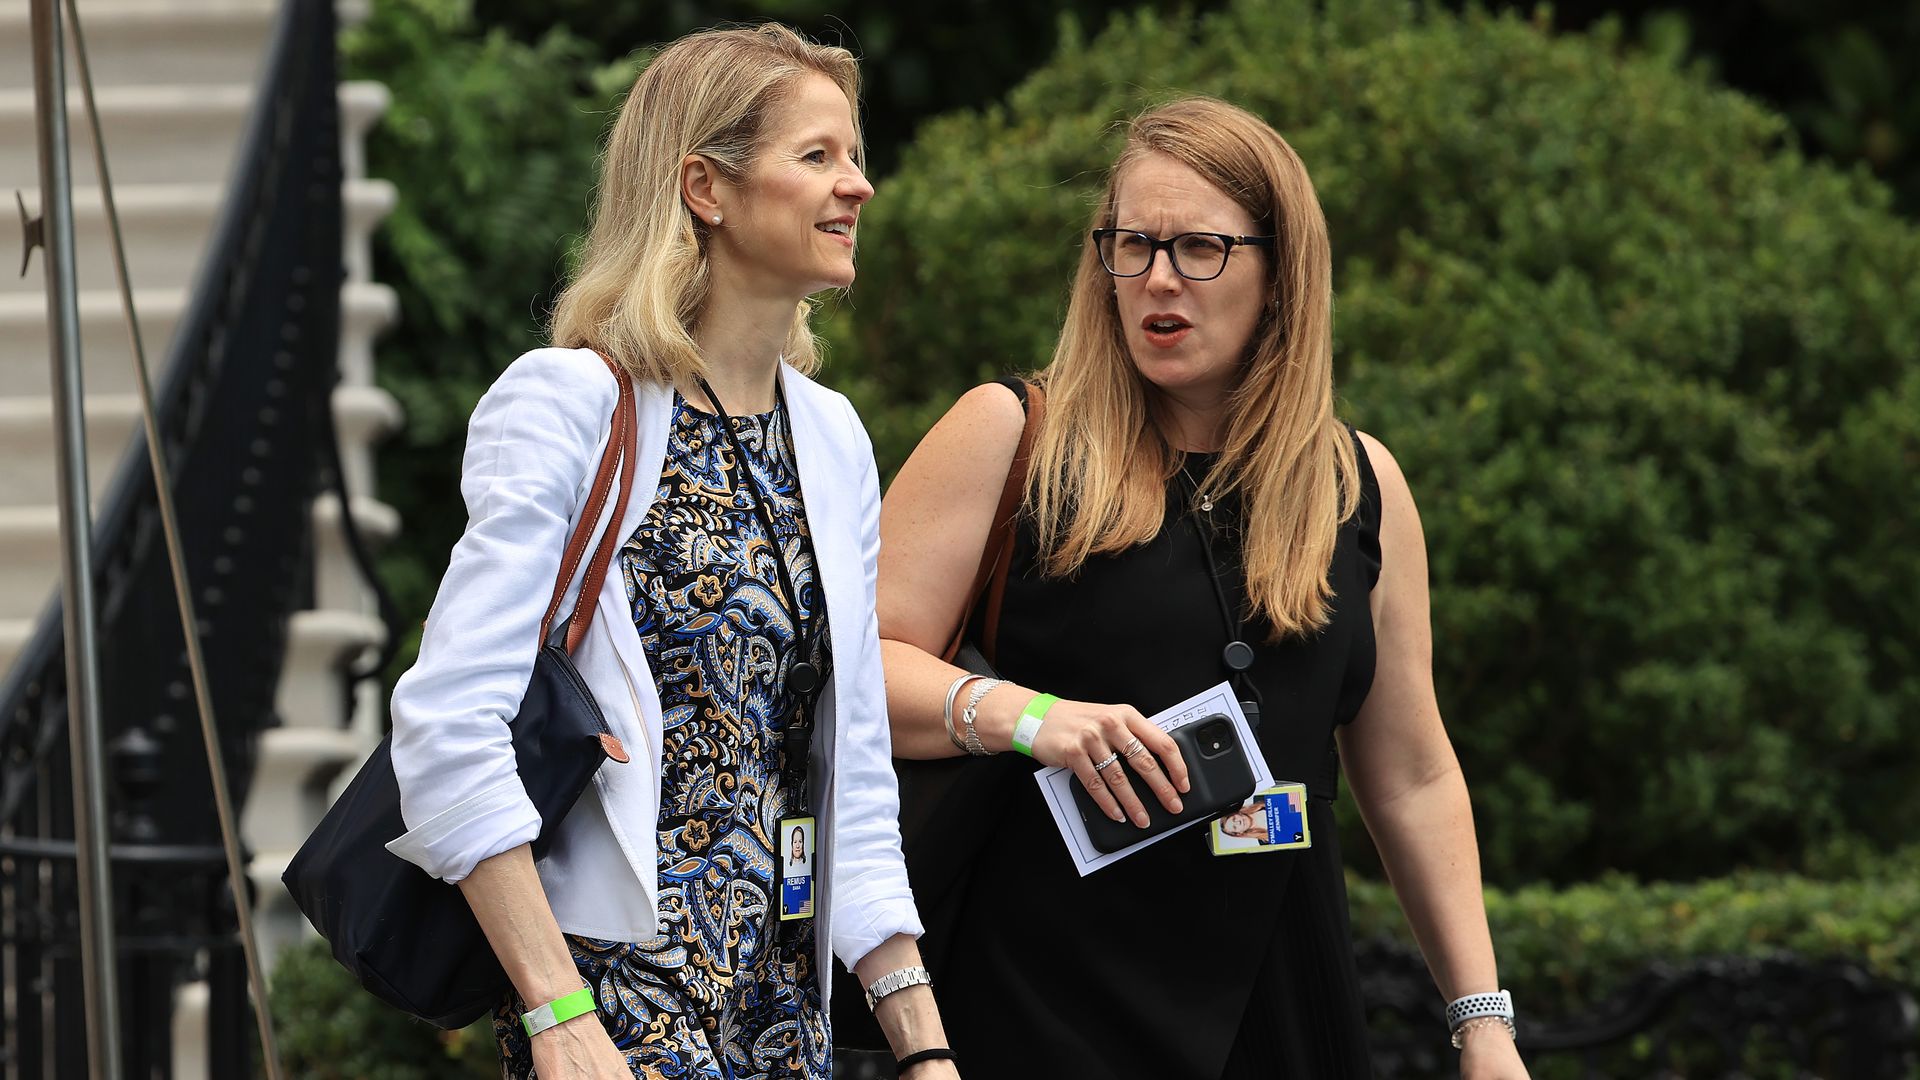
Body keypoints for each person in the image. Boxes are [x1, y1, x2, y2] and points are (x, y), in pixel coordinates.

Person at [877, 97, 1529, 1078]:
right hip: (1043, 1008)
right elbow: (856, 672)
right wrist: (1026, 715)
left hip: (1284, 1013)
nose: (1155, 279)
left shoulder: (1360, 484)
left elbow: (1413, 772)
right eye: (1131, 245)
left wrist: (1483, 1024)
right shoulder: (1010, 435)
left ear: (1279, 275)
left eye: (1199, 249)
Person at [384, 24, 958, 1080]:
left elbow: (855, 775)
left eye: (856, 155)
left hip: (789, 1023)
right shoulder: (570, 403)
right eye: (819, 155)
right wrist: (559, 1014)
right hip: (622, 1012)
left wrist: (923, 1047)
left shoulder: (831, 439)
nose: (860, 187)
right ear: (706, 186)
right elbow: (446, 724)